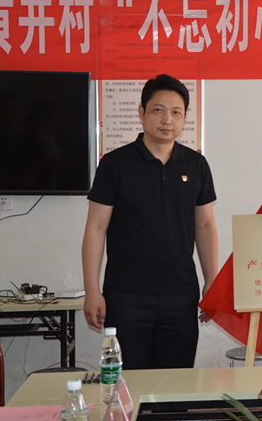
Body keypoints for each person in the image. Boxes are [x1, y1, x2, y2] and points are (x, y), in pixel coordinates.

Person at [81, 74, 219, 370]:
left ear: (184, 118)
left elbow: (205, 226)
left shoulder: (196, 165)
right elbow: (96, 228)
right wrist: (92, 290)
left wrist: (212, 282)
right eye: (158, 110)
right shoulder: (115, 164)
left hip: (180, 294)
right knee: (128, 383)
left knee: (175, 384)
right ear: (141, 112)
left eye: (176, 112)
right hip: (126, 295)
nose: (167, 119)